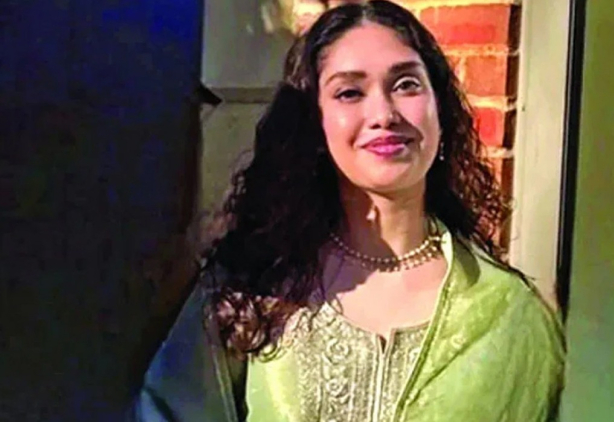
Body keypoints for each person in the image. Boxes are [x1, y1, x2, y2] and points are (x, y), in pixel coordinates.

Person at [131, 1, 564, 421]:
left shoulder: (507, 315)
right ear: (314, 124)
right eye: (349, 92)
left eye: (406, 85)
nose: (384, 114)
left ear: (441, 110)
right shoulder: (253, 289)